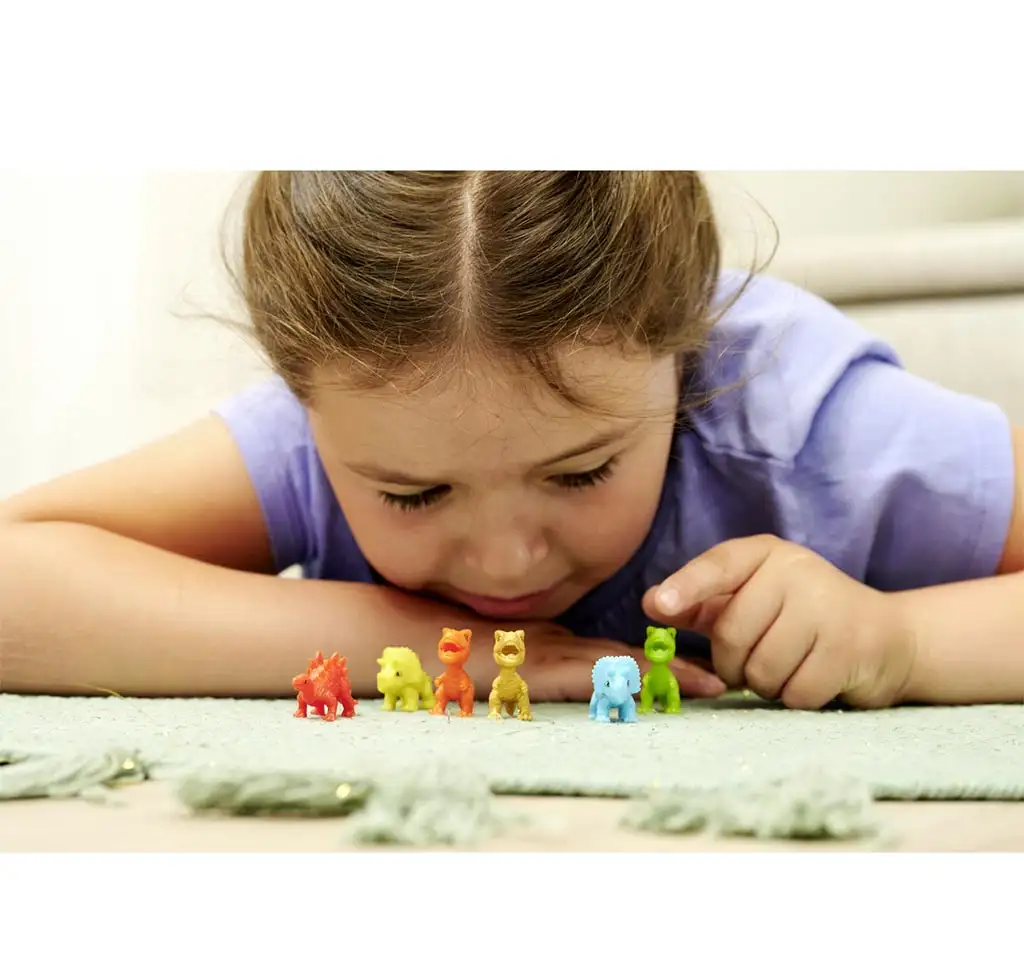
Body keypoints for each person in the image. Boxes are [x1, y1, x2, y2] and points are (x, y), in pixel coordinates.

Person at [2, 171, 1022, 709]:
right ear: (304, 401)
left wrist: (905, 641)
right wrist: (418, 644)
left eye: (580, 471)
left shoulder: (808, 424)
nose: (504, 561)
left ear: (684, 351)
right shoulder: (325, 427)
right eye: (412, 494)